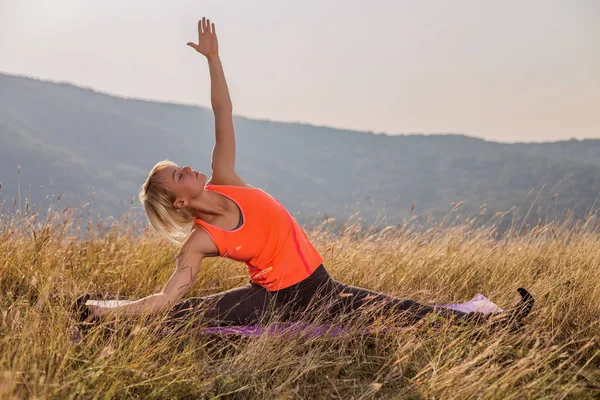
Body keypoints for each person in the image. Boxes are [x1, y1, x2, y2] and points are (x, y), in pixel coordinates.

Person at [84, 18, 532, 331]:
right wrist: (102, 311)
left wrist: (212, 60)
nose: (187, 167)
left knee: (406, 310)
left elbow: (223, 110)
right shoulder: (201, 240)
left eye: (180, 165)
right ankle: (96, 312)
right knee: (185, 315)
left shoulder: (225, 176)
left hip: (319, 284)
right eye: (178, 174)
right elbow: (167, 297)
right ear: (179, 201)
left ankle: (500, 321)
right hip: (273, 298)